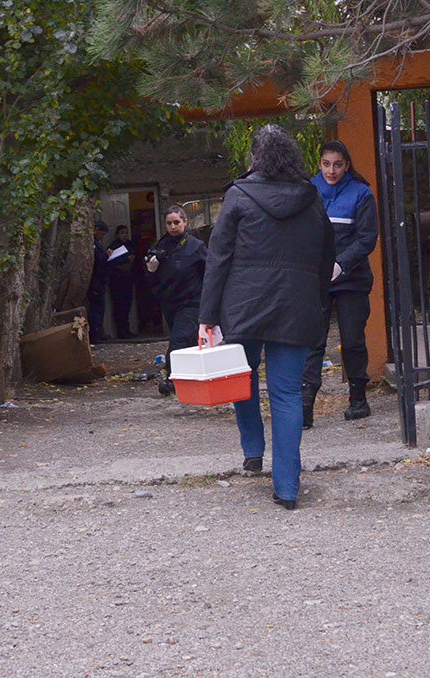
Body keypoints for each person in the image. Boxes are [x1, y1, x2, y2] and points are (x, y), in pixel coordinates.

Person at [198, 125, 335, 510]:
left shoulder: (238, 196)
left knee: (241, 380)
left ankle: (252, 450)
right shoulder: (312, 198)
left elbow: (218, 257)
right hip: (296, 307)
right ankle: (287, 488)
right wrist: (317, 298)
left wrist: (207, 315)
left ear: (254, 159)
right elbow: (327, 254)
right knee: (287, 394)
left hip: (244, 306)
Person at [302, 140, 379, 428]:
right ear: (319, 164)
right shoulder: (309, 191)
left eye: (337, 164)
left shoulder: (361, 194)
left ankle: (358, 397)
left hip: (352, 279)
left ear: (347, 165)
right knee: (312, 340)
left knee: (352, 339)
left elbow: (367, 238)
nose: (331, 170)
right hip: (316, 278)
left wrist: (342, 263)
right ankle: (305, 402)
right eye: (326, 164)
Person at [146, 205, 207, 395]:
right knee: (186, 343)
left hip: (192, 302)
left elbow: (210, 274)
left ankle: (172, 379)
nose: (173, 227)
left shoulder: (196, 247)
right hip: (170, 302)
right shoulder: (161, 246)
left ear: (185, 222)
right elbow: (152, 280)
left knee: (178, 340)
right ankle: (190, 379)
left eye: (177, 223)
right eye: (169, 223)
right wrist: (151, 271)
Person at [107, 225, 137, 339]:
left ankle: (127, 329)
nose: (124, 235)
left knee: (127, 305)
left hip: (128, 278)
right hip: (117, 280)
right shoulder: (113, 246)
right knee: (119, 306)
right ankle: (121, 331)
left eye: (126, 233)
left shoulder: (130, 245)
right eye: (122, 233)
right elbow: (111, 261)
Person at [87, 220, 110, 344]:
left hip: (100, 282)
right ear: (96, 229)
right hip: (95, 282)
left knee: (100, 309)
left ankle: (98, 332)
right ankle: (94, 335)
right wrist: (106, 256)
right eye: (102, 234)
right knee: (95, 310)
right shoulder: (92, 244)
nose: (102, 237)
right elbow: (97, 260)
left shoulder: (97, 244)